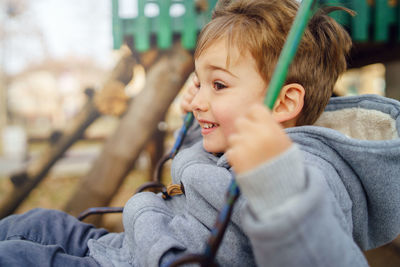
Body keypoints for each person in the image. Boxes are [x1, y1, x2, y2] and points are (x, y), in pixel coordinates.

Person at [1, 0, 399, 266]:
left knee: (15, 255)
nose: (196, 100)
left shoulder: (306, 172)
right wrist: (196, 124)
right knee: (34, 224)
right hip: (131, 243)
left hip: (146, 258)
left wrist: (280, 188)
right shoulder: (238, 139)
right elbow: (212, 172)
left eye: (219, 85)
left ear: (282, 104)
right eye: (200, 82)